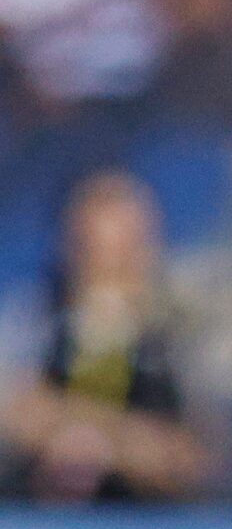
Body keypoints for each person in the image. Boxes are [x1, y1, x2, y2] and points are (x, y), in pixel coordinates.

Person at [0, 166, 214, 502]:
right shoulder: (35, 324)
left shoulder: (179, 340)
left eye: (121, 252)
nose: (107, 270)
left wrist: (98, 437)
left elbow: (196, 459)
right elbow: (14, 412)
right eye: (93, 249)